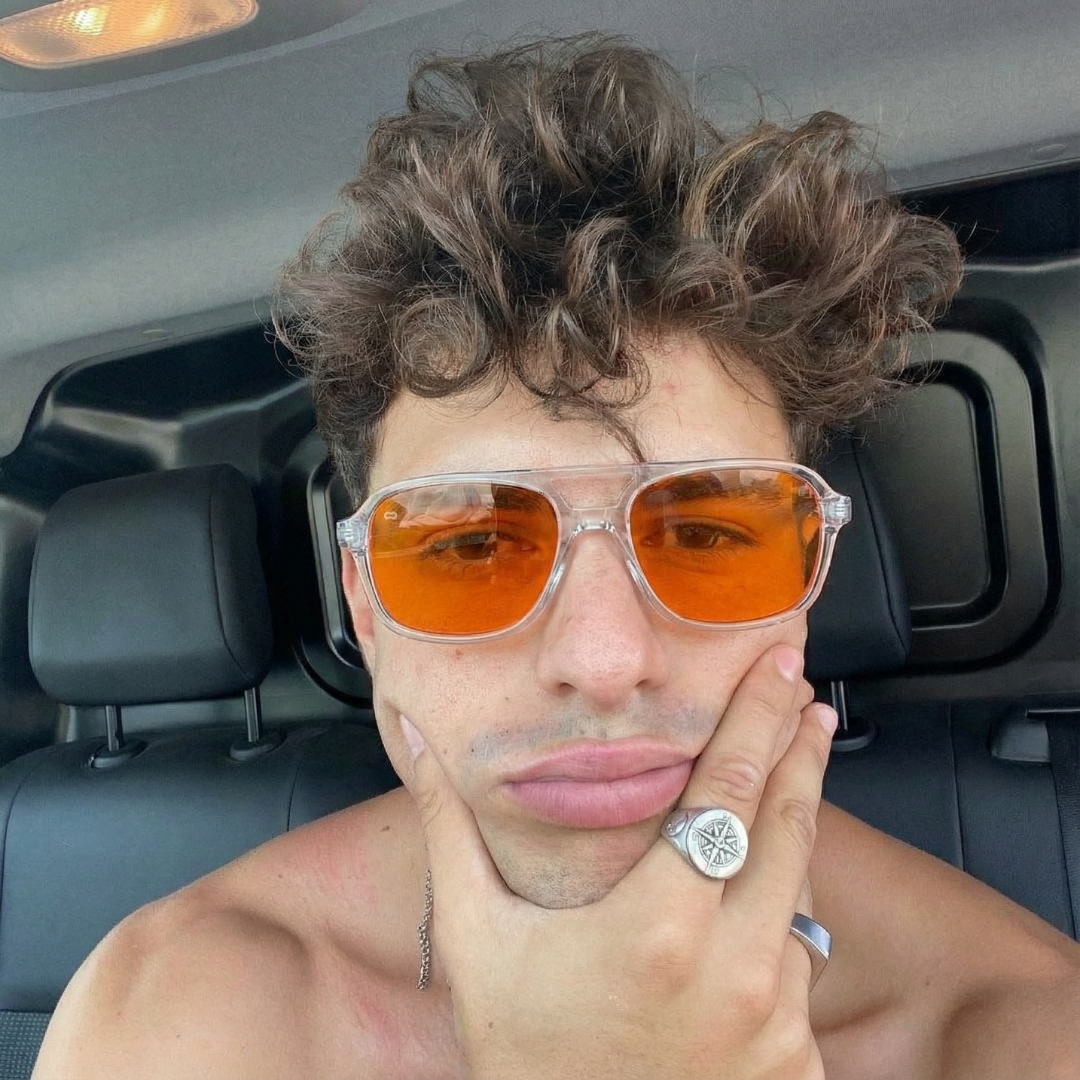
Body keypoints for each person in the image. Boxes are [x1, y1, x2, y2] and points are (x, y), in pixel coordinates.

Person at [34, 35, 1080, 1080]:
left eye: (708, 534)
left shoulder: (1028, 1032)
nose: (604, 660)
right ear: (366, 603)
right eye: (472, 543)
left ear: (806, 584)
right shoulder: (172, 1016)